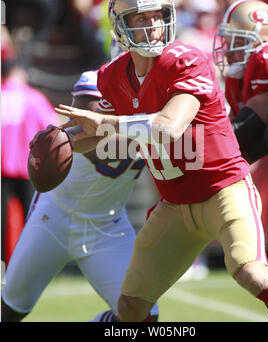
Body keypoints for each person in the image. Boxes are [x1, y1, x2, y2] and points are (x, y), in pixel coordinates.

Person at [55, 0, 268, 322]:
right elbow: (97, 135)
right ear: (121, 24)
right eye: (141, 17)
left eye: (158, 15)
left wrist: (105, 127)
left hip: (223, 191)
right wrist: (62, 142)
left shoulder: (185, 60)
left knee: (252, 273)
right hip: (174, 204)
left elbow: (168, 127)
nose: (153, 26)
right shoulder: (112, 76)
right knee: (130, 308)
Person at [1, 66, 159, 322]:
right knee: (10, 310)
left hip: (107, 225)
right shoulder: (97, 81)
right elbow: (90, 139)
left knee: (143, 318)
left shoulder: (165, 101)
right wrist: (155, 132)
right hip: (54, 218)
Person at [212, 0, 268, 294]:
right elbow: (239, 146)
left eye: (238, 41)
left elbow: (236, 140)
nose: (229, 49)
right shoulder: (240, 84)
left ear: (262, 42)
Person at [1, 25, 59, 265]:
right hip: (28, 168)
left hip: (1, 168)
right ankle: (31, 266)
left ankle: (2, 265)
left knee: (1, 221)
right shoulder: (33, 97)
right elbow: (53, 127)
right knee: (31, 220)